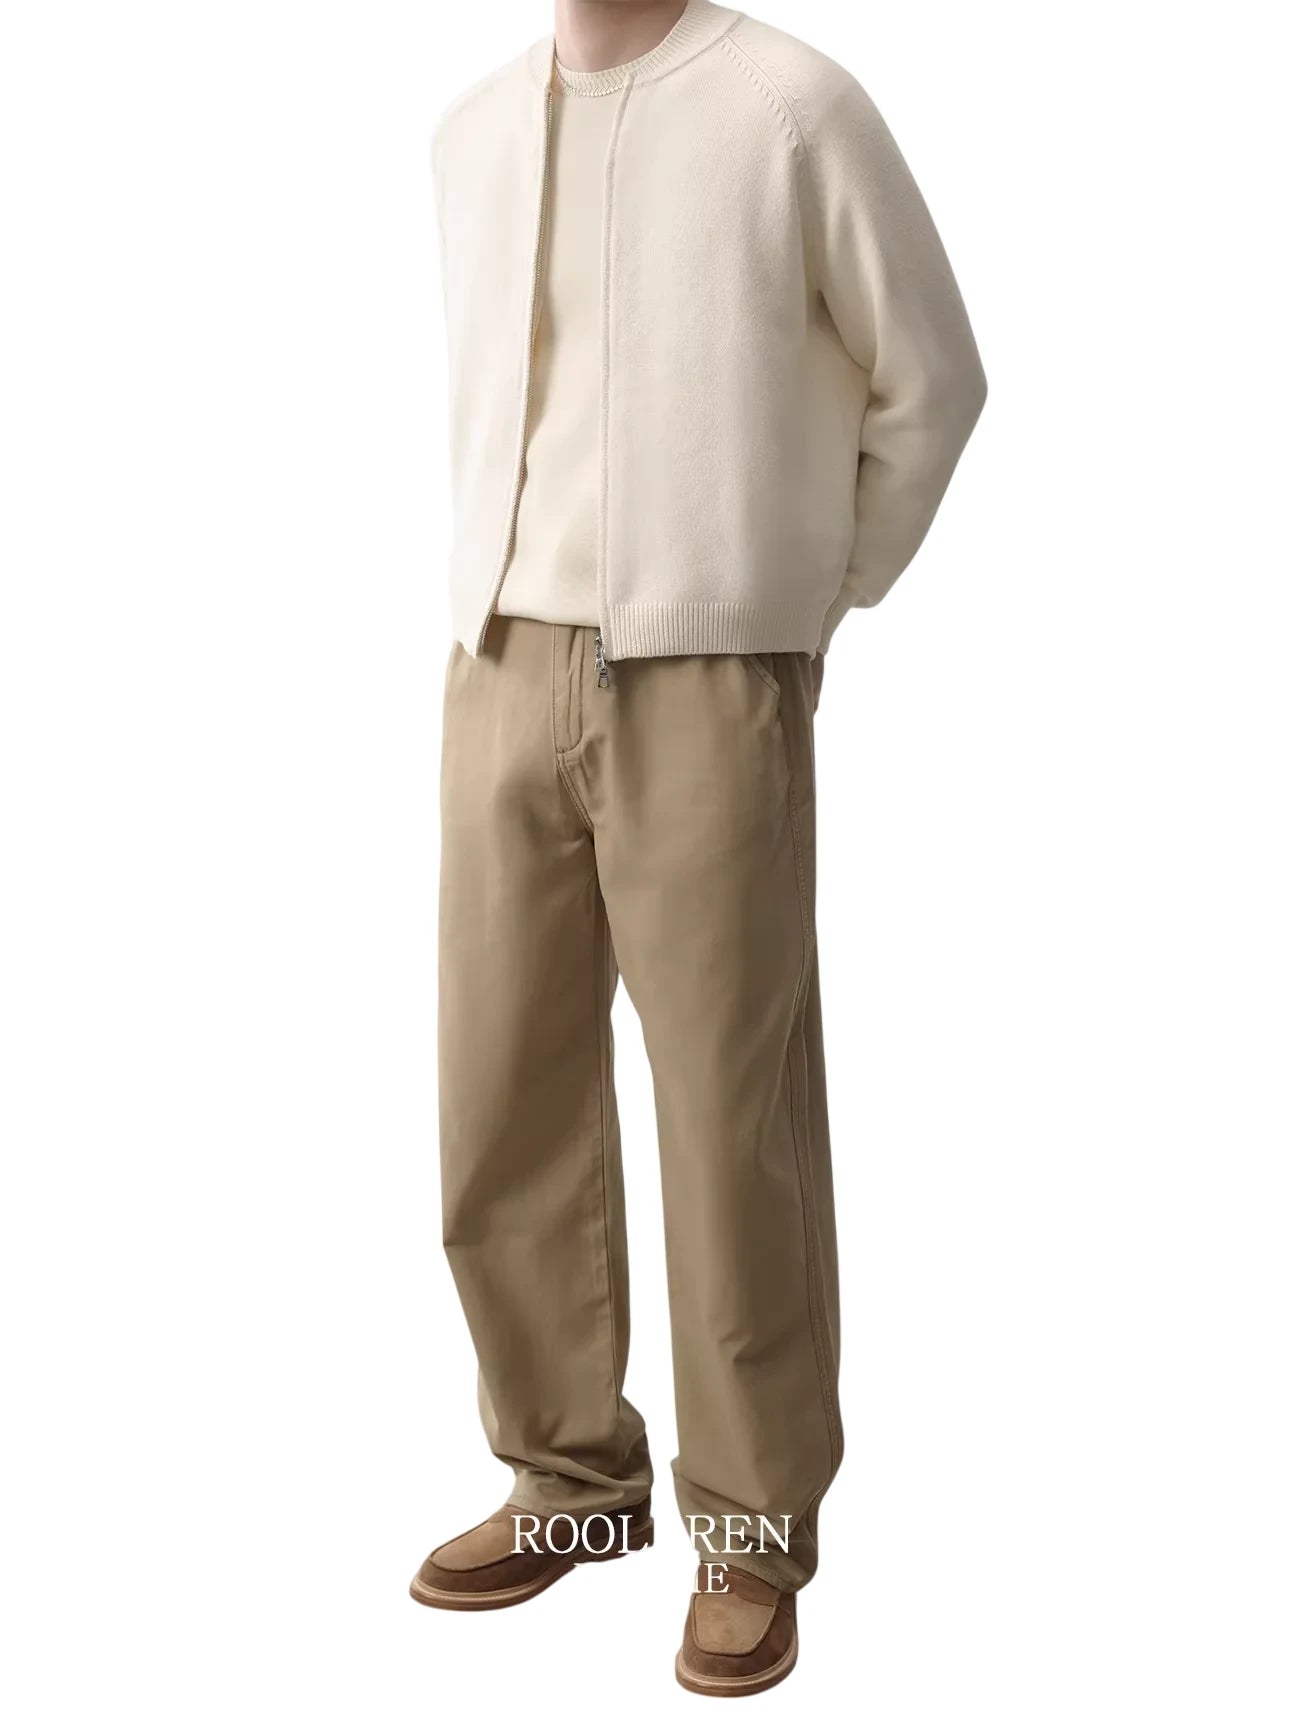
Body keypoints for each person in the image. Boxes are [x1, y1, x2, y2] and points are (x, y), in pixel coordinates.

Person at [411, 0, 985, 1696]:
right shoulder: (468, 131)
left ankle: (752, 1528)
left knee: (733, 1113)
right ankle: (571, 1484)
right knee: (498, 1094)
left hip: (711, 665)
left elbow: (935, 378)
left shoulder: (792, 107)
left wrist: (800, 598)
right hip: (498, 656)